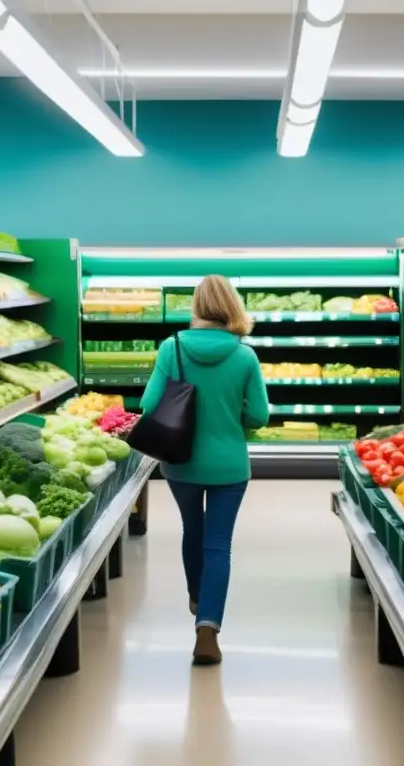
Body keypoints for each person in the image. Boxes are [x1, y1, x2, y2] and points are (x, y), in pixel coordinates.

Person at [139, 274, 269, 665]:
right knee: (218, 545)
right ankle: (208, 628)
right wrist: (230, 411)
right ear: (232, 306)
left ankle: (197, 595)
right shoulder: (245, 355)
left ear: (195, 306)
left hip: (181, 462)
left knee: (192, 531)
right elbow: (259, 416)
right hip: (230, 464)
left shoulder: (172, 348)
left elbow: (149, 403)